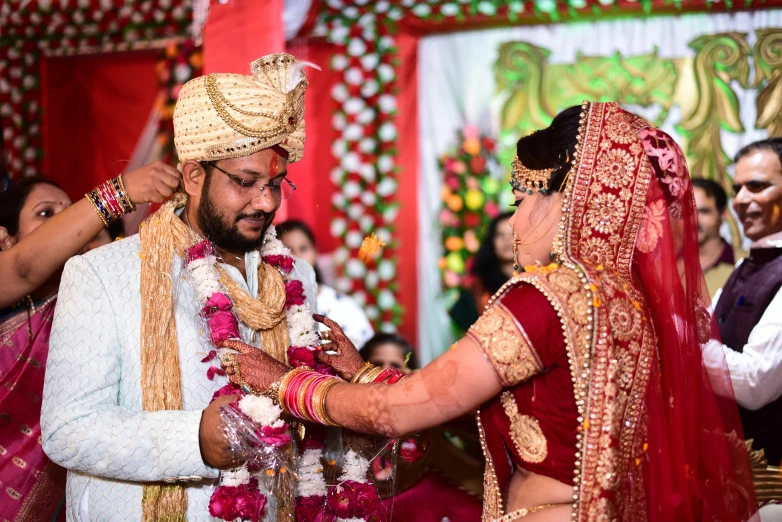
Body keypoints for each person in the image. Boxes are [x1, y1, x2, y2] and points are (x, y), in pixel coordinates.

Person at [223, 102, 757, 521]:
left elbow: (397, 414)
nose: (517, 221)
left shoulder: (549, 298)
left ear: (566, 200)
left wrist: (281, 382)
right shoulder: (634, 302)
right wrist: (362, 372)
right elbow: (511, 404)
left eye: (521, 200)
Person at [41, 53, 320, 520]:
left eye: (276, 182)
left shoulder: (295, 277)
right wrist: (195, 440)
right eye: (246, 182)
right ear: (193, 175)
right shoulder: (103, 275)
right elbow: (67, 429)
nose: (266, 201)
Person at [0, 167, 179, 522]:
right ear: (5, 239)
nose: (70, 225)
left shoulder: (108, 302)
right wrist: (121, 191)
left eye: (72, 211)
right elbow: (22, 269)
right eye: (47, 214)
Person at [704, 138, 782, 469]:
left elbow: (755, 383)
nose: (740, 200)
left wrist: (686, 342)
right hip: (729, 470)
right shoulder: (747, 265)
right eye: (737, 188)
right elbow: (705, 328)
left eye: (757, 186)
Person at [278, 219, 374, 348]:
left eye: (303, 248)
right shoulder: (270, 306)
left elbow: (368, 353)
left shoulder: (341, 304)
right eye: (287, 250)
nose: (297, 257)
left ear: (315, 251)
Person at [450, 212, 515, 331]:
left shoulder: (534, 280)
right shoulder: (478, 287)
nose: (507, 240)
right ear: (492, 240)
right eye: (500, 235)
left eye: (513, 234)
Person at [692, 178, 737, 298]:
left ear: (722, 216)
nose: (694, 220)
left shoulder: (744, 266)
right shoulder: (663, 267)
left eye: (703, 211)